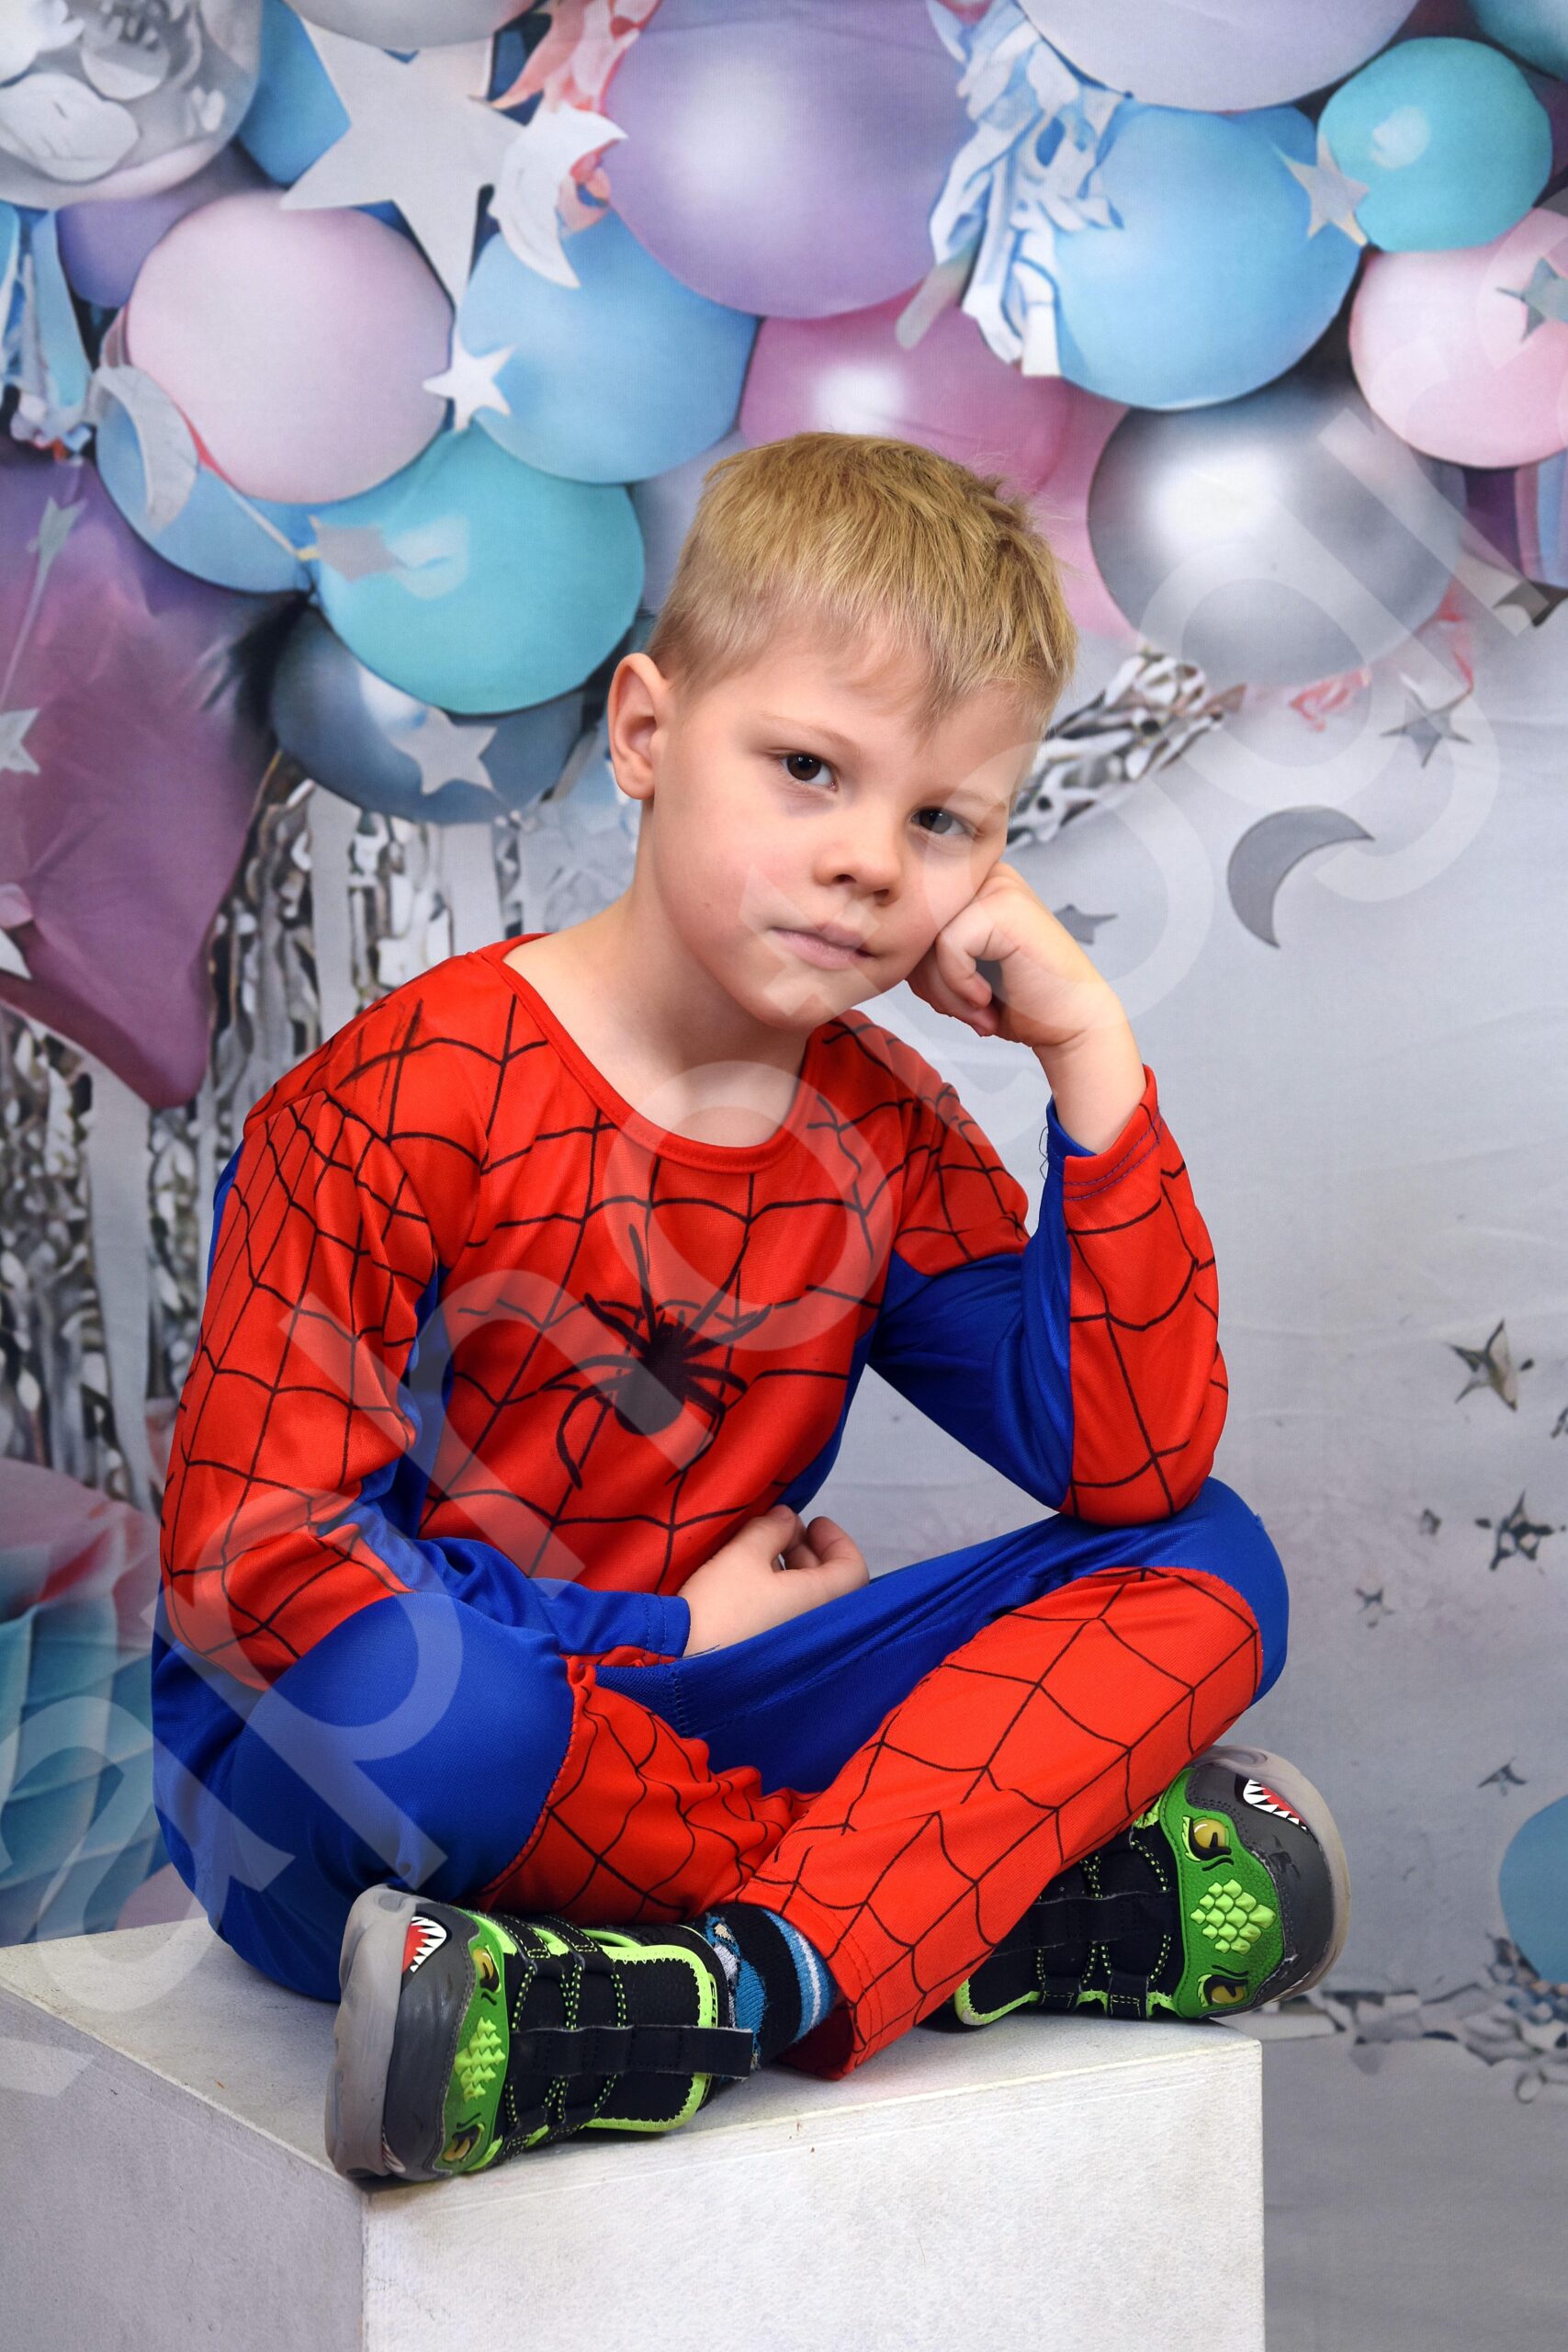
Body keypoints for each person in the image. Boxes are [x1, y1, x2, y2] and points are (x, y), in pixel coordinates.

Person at [152, 431, 1348, 2186]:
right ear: (646, 733)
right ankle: (983, 1914)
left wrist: (1090, 1060)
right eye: (807, 769)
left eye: (941, 820)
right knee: (440, 1703)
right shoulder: (400, 1100)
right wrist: (662, 1638)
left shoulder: (884, 1130)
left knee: (1210, 1560)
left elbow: (1131, 1463)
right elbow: (260, 1570)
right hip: (362, 1756)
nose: (870, 861)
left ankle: (718, 1991)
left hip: (694, 1731)